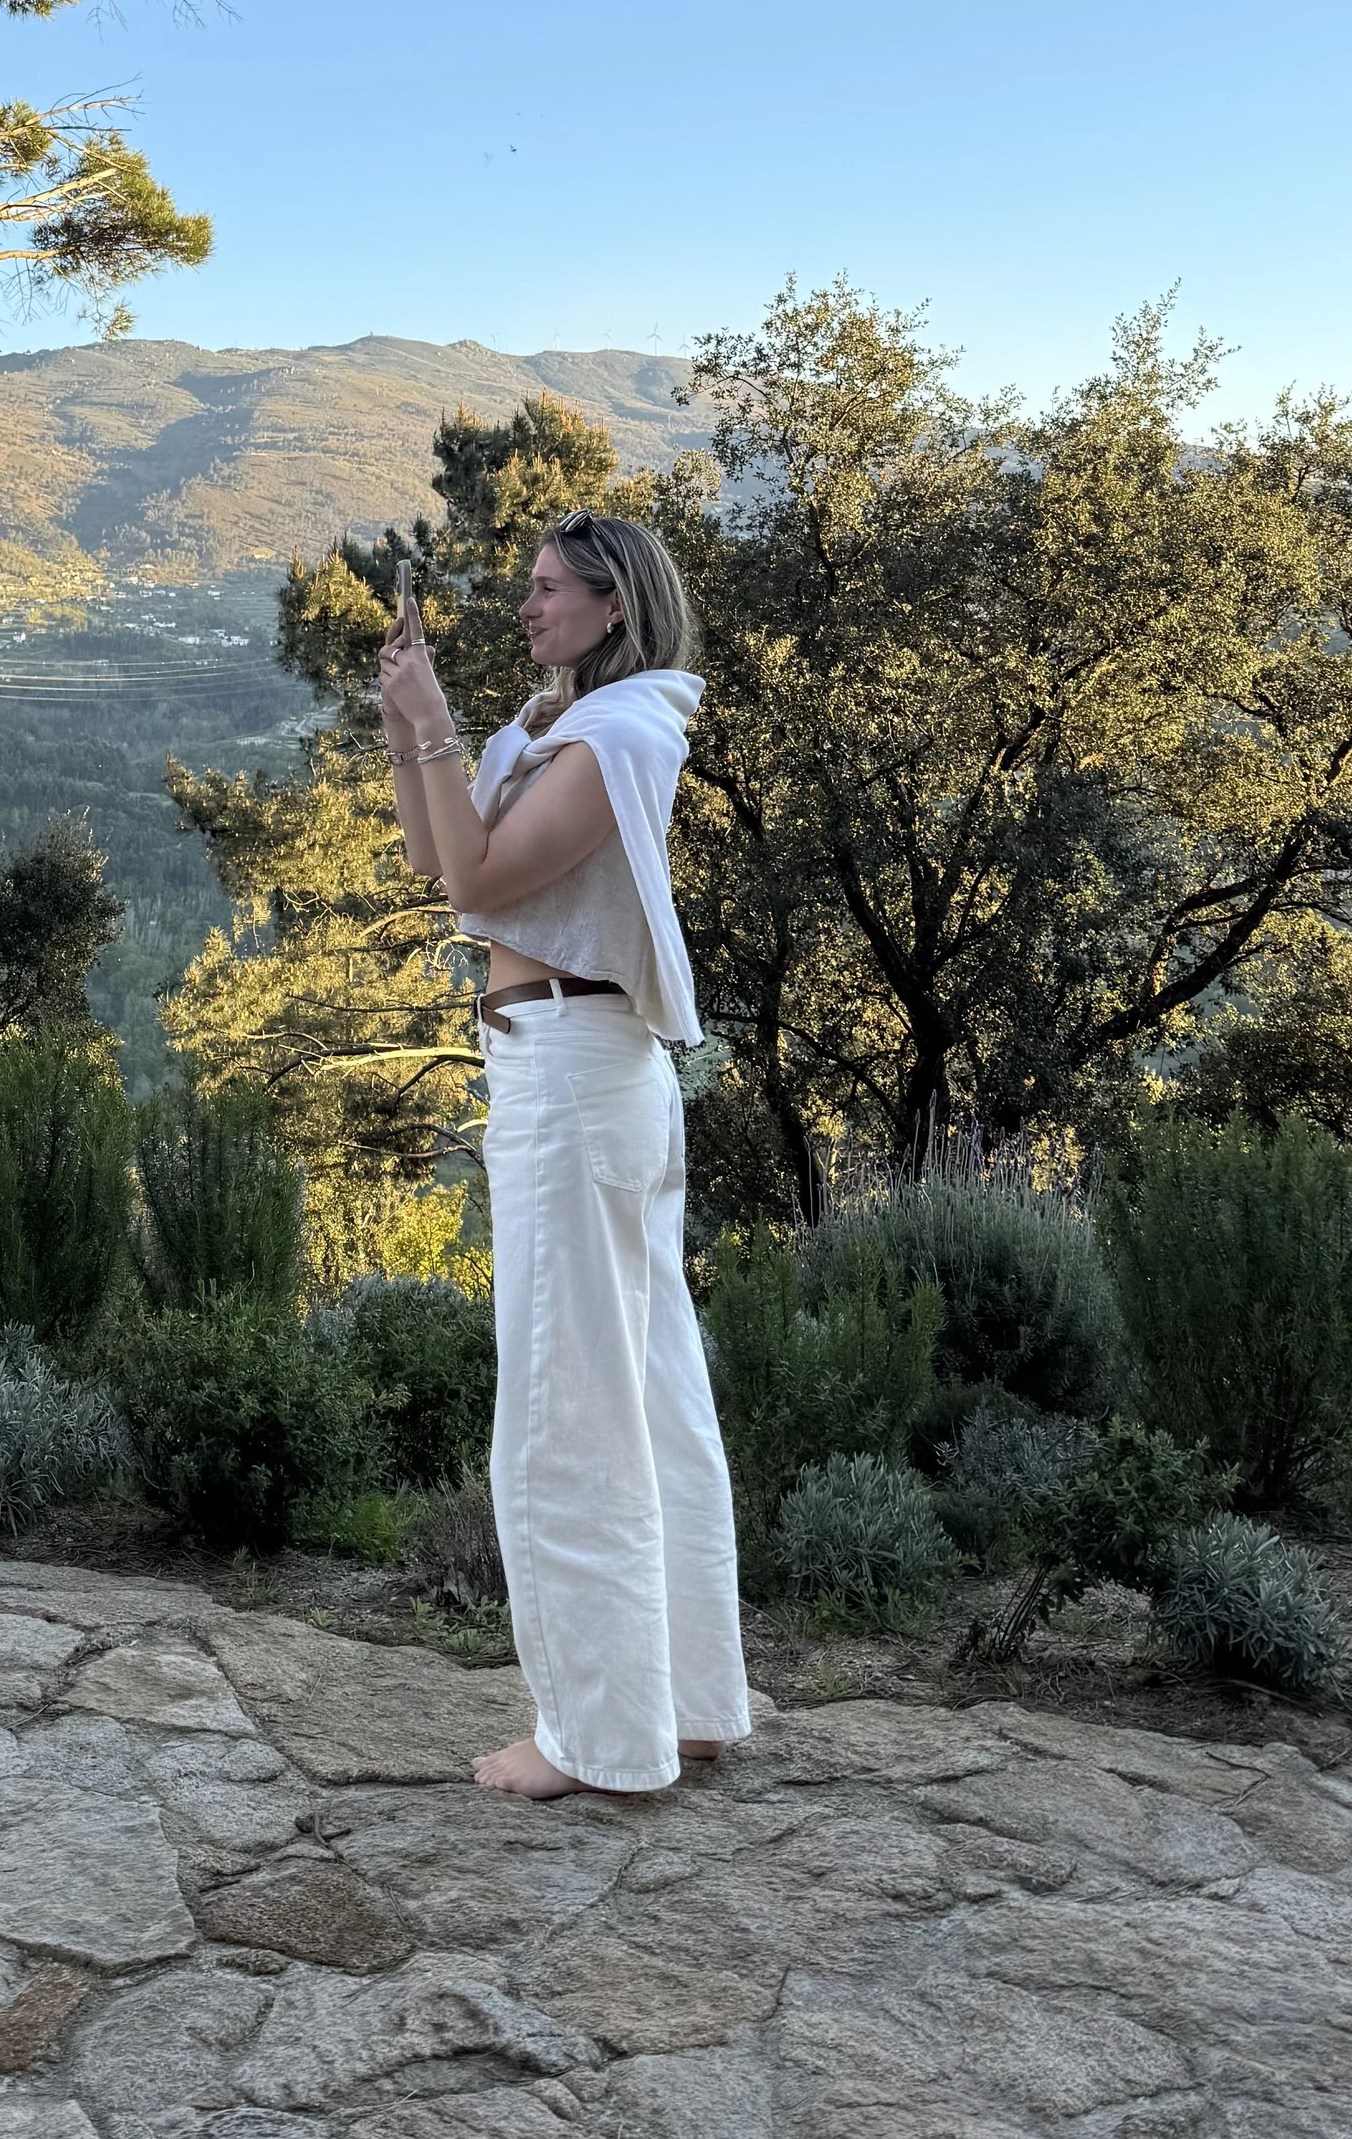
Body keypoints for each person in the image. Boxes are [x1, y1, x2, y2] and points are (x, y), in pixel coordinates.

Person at [378, 509, 750, 1801]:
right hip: (568, 1068)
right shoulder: (543, 732)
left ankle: (594, 1738)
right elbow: (444, 862)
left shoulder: (621, 732)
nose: (526, 607)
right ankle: (687, 1706)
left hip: (574, 1079)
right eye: (528, 587)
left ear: (613, 606)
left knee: (566, 1405)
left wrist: (430, 724)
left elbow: (482, 890)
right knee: (647, 1394)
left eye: (548, 590)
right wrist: (408, 730)